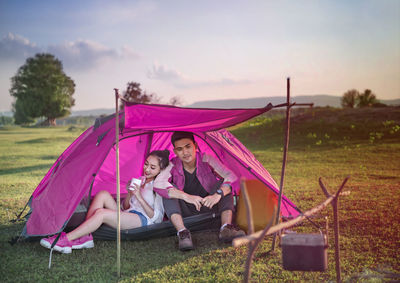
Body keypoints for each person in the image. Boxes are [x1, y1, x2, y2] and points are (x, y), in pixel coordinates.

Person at [40, 150, 170, 254]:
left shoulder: (159, 187)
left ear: (160, 170)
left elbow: (156, 217)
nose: (147, 169)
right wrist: (130, 194)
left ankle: (65, 239)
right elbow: (125, 208)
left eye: (152, 167)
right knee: (103, 194)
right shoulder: (140, 179)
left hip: (143, 219)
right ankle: (86, 236)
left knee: (101, 213)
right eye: (146, 164)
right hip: (130, 214)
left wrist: (139, 197)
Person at [153, 131, 245, 251]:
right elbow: (158, 184)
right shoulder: (172, 165)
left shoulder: (206, 159)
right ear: (175, 152)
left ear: (195, 146)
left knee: (224, 186)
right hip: (185, 212)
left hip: (209, 206)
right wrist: (186, 196)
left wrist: (217, 195)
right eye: (180, 149)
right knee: (168, 189)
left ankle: (225, 228)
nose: (185, 152)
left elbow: (231, 176)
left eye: (188, 146)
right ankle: (182, 233)